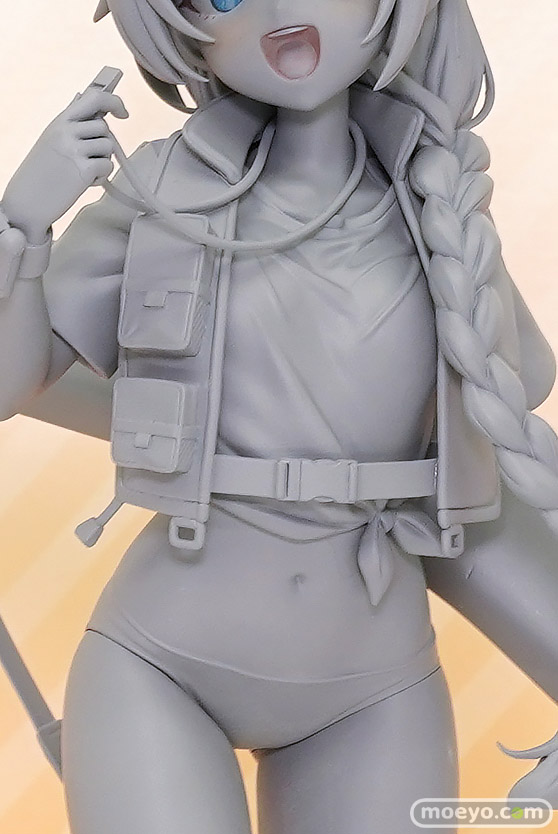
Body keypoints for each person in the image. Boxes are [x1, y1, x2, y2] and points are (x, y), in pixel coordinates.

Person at [1, 0, 558, 831]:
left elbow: (491, 449)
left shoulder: (435, 206)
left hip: (375, 684)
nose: (281, 10)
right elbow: (16, 382)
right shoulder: (160, 189)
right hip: (163, 662)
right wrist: (20, 226)